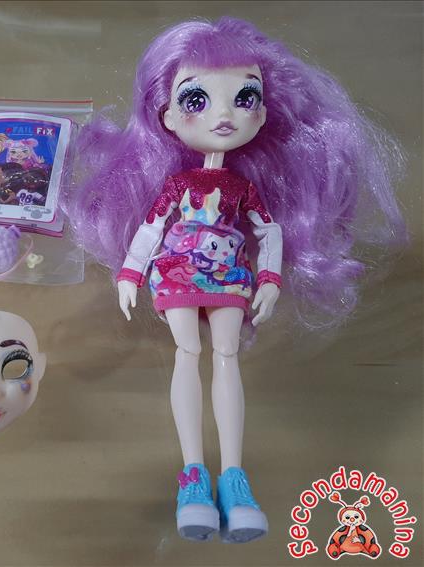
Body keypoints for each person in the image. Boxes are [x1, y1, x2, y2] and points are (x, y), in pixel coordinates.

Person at [62, 17, 404, 543]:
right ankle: (193, 478)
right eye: (196, 100)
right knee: (189, 353)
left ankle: (235, 480)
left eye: (244, 98)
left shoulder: (244, 189)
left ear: (262, 113)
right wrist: (130, 272)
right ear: (167, 115)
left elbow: (268, 232)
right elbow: (152, 228)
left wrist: (269, 279)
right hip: (175, 272)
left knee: (225, 356)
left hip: (229, 276)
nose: (223, 115)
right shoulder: (177, 184)